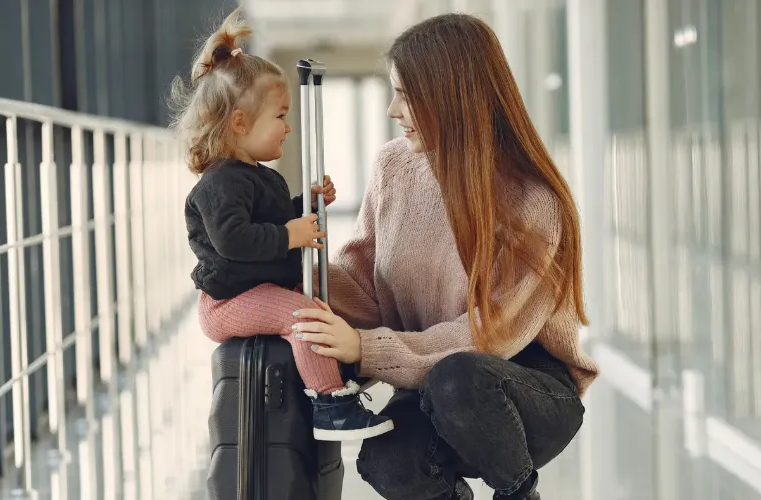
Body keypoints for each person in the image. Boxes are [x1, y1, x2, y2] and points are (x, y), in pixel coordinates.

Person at [289, 12, 600, 500]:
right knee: (386, 457)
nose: (393, 110)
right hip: (434, 384)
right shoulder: (394, 166)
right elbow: (364, 283)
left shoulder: (533, 201)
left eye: (407, 95)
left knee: (458, 379)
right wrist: (294, 258)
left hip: (526, 390)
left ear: (453, 96)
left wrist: (365, 350)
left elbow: (490, 335)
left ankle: (521, 493)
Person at [171, 8, 393, 442]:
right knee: (302, 316)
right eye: (280, 116)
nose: (289, 127)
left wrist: (303, 205)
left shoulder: (257, 174)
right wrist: (292, 233)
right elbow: (235, 239)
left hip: (256, 287)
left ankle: (345, 364)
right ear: (239, 124)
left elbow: (266, 221)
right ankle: (330, 403)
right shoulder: (220, 182)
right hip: (228, 302)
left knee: (319, 304)